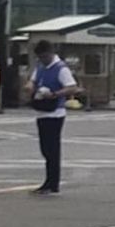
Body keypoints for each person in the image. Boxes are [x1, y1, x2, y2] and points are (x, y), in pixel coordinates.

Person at [28, 40, 80, 195]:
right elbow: (33, 80)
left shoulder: (61, 68)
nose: (43, 60)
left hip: (55, 112)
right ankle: (48, 181)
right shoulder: (40, 67)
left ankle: (53, 183)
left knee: (52, 149)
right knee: (45, 148)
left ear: (51, 53)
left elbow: (72, 87)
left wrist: (55, 94)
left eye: (45, 57)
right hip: (42, 111)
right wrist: (30, 86)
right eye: (40, 57)